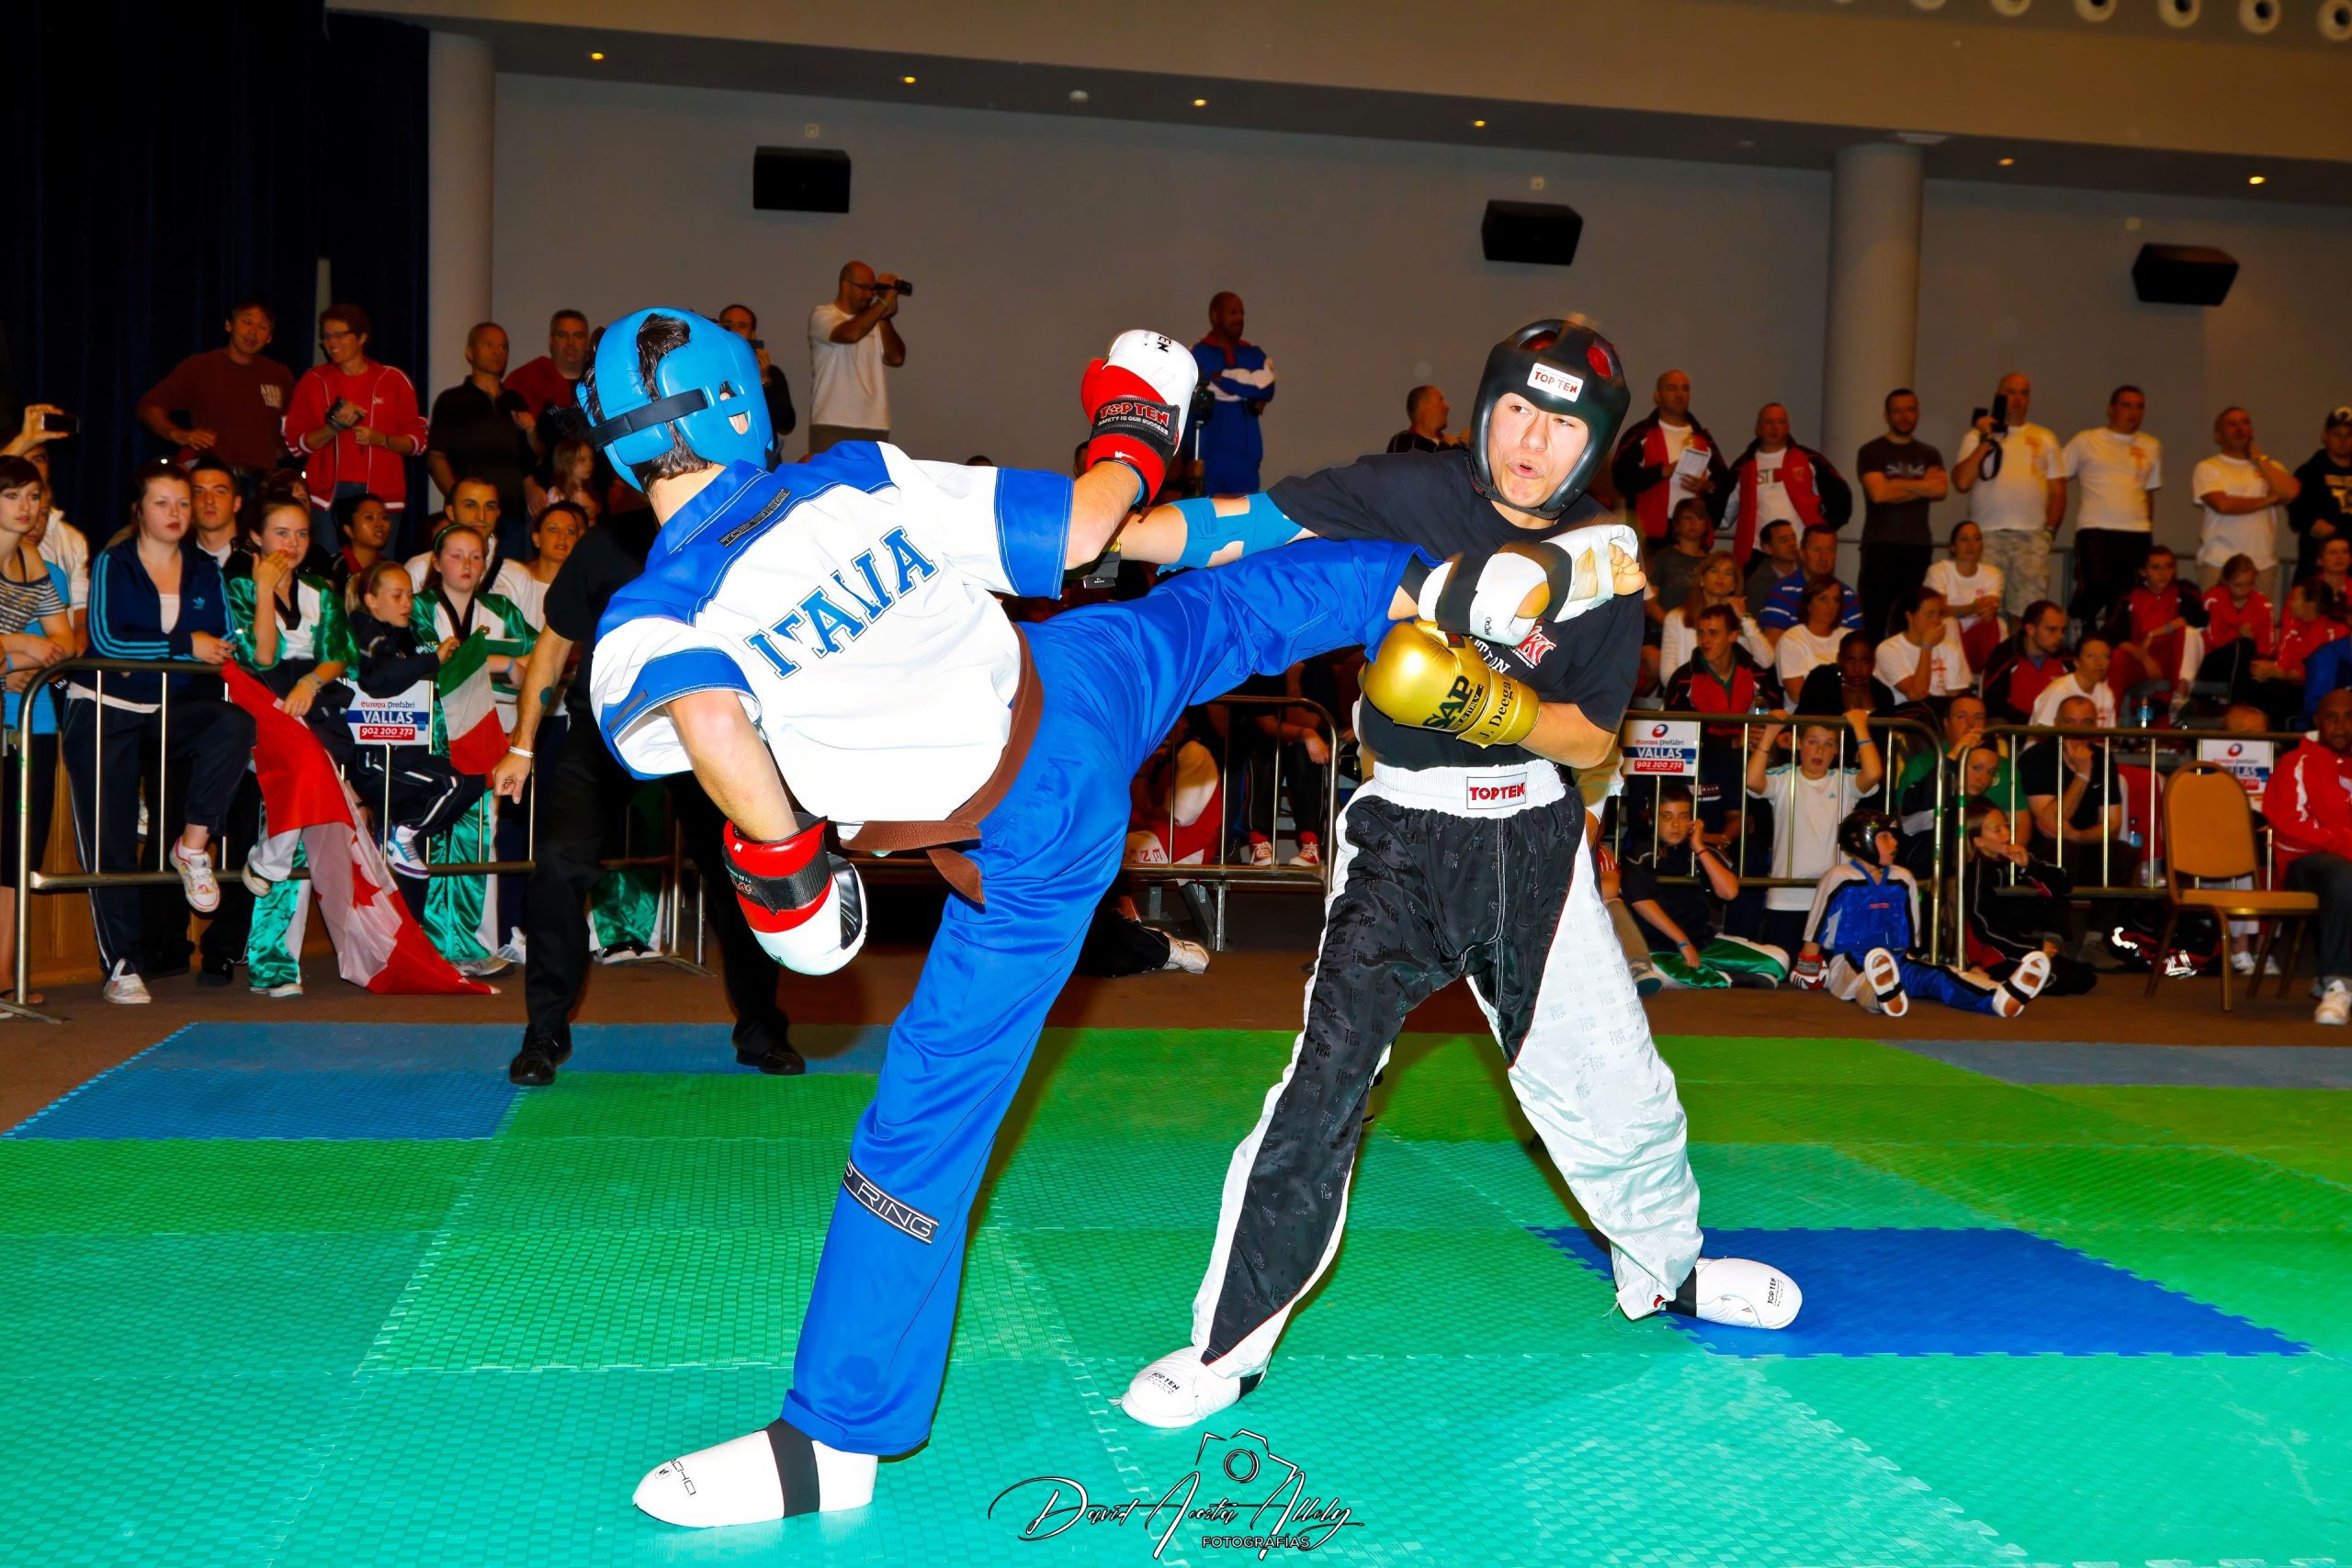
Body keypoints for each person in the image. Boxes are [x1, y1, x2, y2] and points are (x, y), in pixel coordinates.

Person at [583, 309, 1600, 1526]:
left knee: (923, 1127)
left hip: (1026, 847)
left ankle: (830, 1443)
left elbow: (706, 716)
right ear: (741, 406)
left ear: (617, 449)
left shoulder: (644, 621)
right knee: (1215, 619)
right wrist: (1134, 428)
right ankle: (1430, 588)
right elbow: (1082, 527)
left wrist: (784, 870)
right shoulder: (850, 478)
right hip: (1072, 687)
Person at [1110, 321, 1801, 1443]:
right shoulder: (1413, 491)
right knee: (1321, 1088)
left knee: (1616, 1085)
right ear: (1484, 409)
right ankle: (1223, 1349)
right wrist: (1104, 530)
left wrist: (1491, 705)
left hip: (1532, 840)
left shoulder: (1605, 558)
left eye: (1561, 425)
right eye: (1517, 410)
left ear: (1595, 445)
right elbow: (1256, 523)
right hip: (1400, 841)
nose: (1530, 442)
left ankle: (1672, 1274)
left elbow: (1592, 740)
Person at [62, 464, 256, 1004]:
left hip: (165, 708)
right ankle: (123, 963)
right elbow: (106, 642)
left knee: (234, 724)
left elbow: (221, 642)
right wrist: (182, 645)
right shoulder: (114, 561)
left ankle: (192, 847)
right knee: (112, 840)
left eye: (182, 503)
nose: (175, 513)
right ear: (139, 510)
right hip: (103, 709)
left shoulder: (203, 568)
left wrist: (168, 649)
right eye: (162, 503)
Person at [223, 498, 359, 998]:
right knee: (293, 801)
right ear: (256, 537)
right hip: (261, 707)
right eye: (281, 533)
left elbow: (339, 655)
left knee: (302, 822)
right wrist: (263, 589)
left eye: (301, 533)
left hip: (311, 706)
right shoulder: (238, 587)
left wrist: (310, 683)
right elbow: (261, 656)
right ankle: (269, 958)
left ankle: (277, 957)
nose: (293, 544)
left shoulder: (321, 590)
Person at [413, 523, 535, 973]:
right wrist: (504, 662)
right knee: (431, 836)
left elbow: (538, 656)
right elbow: (433, 659)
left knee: (481, 834)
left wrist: (503, 663)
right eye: (456, 555)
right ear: (436, 561)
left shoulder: (502, 608)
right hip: (431, 737)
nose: (467, 564)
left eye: (476, 556)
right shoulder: (419, 607)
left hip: (486, 735)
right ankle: (431, 945)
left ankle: (472, 943)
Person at [1797, 808, 2048, 1017]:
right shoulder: (1839, 878)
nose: (1895, 843)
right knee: (1863, 982)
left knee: (1942, 975)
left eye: (1894, 837)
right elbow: (1816, 927)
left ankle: (1999, 996)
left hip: (1897, 957)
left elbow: (1910, 931)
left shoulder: (1903, 878)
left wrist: (1911, 961)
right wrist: (1808, 968)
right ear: (1860, 841)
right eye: (1885, 837)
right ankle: (1885, 995)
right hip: (1850, 959)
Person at [344, 561, 492, 875]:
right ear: (371, 600)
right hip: (374, 759)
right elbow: (376, 679)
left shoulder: (403, 635)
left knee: (475, 779)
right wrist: (431, 660)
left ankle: (401, 833)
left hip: (405, 754)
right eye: (397, 596)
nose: (407, 604)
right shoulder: (360, 630)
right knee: (451, 783)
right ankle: (401, 835)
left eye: (410, 596)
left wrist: (444, 659)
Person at [0, 457, 74, 1005]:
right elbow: (42, 643)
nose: (26, 507)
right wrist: (22, 646)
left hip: (27, 720)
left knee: (17, 853)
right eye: (12, 496)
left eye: (32, 495)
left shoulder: (32, 561)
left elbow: (65, 644)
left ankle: (4, 975)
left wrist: (15, 659)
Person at [282, 303, 428, 554]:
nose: (331, 343)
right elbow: (295, 445)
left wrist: (382, 439)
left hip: (382, 494)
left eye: (339, 335)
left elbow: (418, 443)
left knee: (378, 570)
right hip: (327, 495)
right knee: (330, 566)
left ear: (361, 338)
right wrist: (333, 428)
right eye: (326, 336)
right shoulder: (313, 381)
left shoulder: (392, 380)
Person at [1618, 782, 1790, 987]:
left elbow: (1729, 892)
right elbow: (1641, 901)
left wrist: (1698, 846)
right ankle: (1732, 979)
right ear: (1653, 819)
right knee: (1654, 973)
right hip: (1659, 947)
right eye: (1667, 816)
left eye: (1683, 816)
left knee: (1780, 960)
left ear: (1693, 821)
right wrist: (1682, 941)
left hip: (1703, 942)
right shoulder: (1642, 852)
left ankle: (1713, 973)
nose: (1676, 824)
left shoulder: (1699, 850)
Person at [1747, 711, 1883, 954]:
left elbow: (1873, 774)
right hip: (1787, 897)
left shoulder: (1844, 780)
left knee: (1834, 969)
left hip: (1835, 896)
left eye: (1829, 744)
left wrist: (1859, 727)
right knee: (1782, 964)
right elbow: (1753, 781)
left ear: (1837, 751)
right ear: (1799, 744)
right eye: (1813, 742)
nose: (1820, 750)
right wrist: (1770, 733)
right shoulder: (1784, 777)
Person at [2266, 687, 2352, 1025]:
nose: (2341, 726)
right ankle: (2337, 986)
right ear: (2317, 722)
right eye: (2332, 718)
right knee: (2343, 875)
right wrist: (2344, 845)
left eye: (2349, 717)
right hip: (2305, 865)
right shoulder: (2295, 763)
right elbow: (2290, 828)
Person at [135, 299, 297, 475]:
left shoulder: (280, 375)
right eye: (247, 322)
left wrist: (281, 452)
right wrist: (177, 434)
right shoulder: (200, 367)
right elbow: (148, 407)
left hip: (262, 480)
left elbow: (297, 427)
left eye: (263, 327)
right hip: (211, 475)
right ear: (229, 325)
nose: (253, 331)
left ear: (269, 338)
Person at [1952, 372, 2065, 618]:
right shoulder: (1975, 437)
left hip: (2031, 537)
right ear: (1998, 396)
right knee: (1984, 610)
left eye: (2024, 393)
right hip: (1987, 535)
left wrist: (2048, 533)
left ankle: (2018, 647)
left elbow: (2058, 492)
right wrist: (1987, 439)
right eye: (2010, 392)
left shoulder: (2045, 437)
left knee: (2027, 614)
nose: (2017, 399)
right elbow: (1961, 482)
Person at [1959, 799, 2096, 997]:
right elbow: (1984, 928)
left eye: (2006, 826)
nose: (2007, 834)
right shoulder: (1975, 872)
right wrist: (2032, 949)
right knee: (2068, 980)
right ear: (1979, 840)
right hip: (1995, 956)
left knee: (2085, 976)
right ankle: (1993, 979)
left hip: (2018, 947)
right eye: (1997, 830)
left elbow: (2063, 883)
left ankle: (2019, 976)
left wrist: (2030, 866)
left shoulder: (2011, 862)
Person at [426, 321, 536, 558]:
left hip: (512, 513)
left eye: (503, 347)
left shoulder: (515, 400)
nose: (498, 352)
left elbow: (531, 456)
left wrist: (531, 431)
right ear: (470, 352)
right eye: (489, 345)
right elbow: (436, 457)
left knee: (510, 575)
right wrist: (460, 500)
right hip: (470, 516)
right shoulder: (452, 400)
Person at [2061, 386, 2163, 628]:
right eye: (2126, 405)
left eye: (2139, 407)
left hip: (2136, 530)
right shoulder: (2086, 440)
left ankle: (2111, 639)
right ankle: (2080, 617)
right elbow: (2056, 476)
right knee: (2098, 584)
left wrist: (2147, 526)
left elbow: (2148, 492)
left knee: (2126, 596)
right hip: (2096, 527)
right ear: (2111, 409)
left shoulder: (2151, 445)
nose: (2133, 412)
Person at [1855, 388, 1949, 638]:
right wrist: (1922, 485)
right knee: (1876, 619)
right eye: (1897, 411)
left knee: (1913, 620)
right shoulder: (1871, 451)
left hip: (1918, 546)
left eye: (1910, 410)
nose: (1904, 416)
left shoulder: (1930, 454)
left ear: (1917, 413)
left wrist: (1895, 484)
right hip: (1880, 545)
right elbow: (1879, 493)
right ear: (1886, 416)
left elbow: (1940, 489)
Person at [2017, 694, 2132, 888]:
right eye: (2069, 722)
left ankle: (2106, 910)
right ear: (2056, 724)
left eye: (2086, 722)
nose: (2077, 730)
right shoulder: (2036, 757)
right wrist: (2083, 775)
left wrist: (2077, 836)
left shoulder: (2103, 758)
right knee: (2062, 849)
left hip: (2086, 840)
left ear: (2096, 726)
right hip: (2043, 846)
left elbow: (2112, 826)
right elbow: (2050, 824)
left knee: (2121, 852)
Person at [1721, 401, 1851, 567]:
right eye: (1769, 422)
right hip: (1756, 551)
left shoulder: (1809, 460)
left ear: (1788, 427)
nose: (1775, 427)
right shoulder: (1743, 465)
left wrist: (1823, 529)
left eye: (1781, 422)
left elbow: (1840, 497)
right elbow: (1725, 510)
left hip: (1801, 549)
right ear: (1758, 428)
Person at [1611, 367, 1729, 540]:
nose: (1680, 394)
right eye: (1672, 388)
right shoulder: (1640, 435)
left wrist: (1708, 488)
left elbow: (1724, 481)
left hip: (1692, 534)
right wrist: (1661, 472)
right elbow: (1621, 478)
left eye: (1685, 389)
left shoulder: (1703, 439)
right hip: (1650, 534)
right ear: (1657, 396)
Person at [2193, 407, 2300, 588]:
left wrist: (2259, 460)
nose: (2240, 428)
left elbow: (2291, 492)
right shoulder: (2208, 467)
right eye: (2232, 424)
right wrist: (2269, 499)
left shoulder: (2270, 466)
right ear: (2218, 436)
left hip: (2262, 564)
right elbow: (2223, 505)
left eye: (2245, 422)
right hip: (2220, 562)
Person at [807, 262, 907, 455]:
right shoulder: (823, 315)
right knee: (831, 474)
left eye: (872, 289)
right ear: (845, 284)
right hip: (832, 421)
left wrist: (884, 314)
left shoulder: (874, 319)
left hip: (875, 422)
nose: (869, 295)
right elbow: (850, 334)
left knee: (872, 475)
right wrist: (882, 303)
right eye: (864, 288)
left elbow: (896, 358)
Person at [1188, 291, 1276, 495]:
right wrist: (1247, 384)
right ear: (1215, 316)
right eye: (1233, 312)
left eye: (1242, 313)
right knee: (1207, 512)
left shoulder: (1253, 354)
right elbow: (1203, 386)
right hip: (1207, 458)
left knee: (1247, 513)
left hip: (1246, 460)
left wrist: (1223, 378)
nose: (1239, 318)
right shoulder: (1198, 352)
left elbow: (1267, 388)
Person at [2103, 544, 2206, 713]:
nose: (2163, 573)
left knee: (2189, 633)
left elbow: (2201, 619)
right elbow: (2114, 636)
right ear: (2144, 571)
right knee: (2118, 656)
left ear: (2175, 570)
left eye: (2168, 567)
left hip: (2173, 657)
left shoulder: (2184, 594)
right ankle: (2109, 716)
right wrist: (2144, 657)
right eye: (2155, 567)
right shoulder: (2130, 597)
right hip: (2141, 656)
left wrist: (2156, 632)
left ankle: (2180, 698)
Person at [2199, 552, 2292, 723]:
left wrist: (2264, 667)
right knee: (2244, 645)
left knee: (2277, 686)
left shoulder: (2263, 604)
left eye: (2249, 584)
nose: (2244, 590)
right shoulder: (2213, 599)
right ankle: (2236, 705)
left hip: (2248, 664)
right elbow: (2211, 641)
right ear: (2226, 581)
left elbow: (2268, 648)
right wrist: (2237, 634)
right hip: (2215, 662)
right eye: (2238, 585)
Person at [504, 308, 595, 473]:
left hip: (598, 482)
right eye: (562, 335)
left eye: (578, 335)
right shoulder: (525, 380)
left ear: (588, 343)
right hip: (545, 480)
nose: (570, 343)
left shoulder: (602, 381)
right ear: (550, 341)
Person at [1659, 548, 1770, 678]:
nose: (1720, 577)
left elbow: (1765, 661)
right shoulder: (1676, 618)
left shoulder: (1739, 622)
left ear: (1733, 586)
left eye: (1728, 573)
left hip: (1730, 689)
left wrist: (1745, 618)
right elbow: (1667, 673)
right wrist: (1701, 687)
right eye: (1714, 571)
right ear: (1702, 580)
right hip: (1688, 687)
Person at [717, 303, 798, 463]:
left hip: (762, 458)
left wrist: (763, 381)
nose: (734, 331)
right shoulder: (708, 372)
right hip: (721, 456)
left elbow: (786, 424)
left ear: (752, 334)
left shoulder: (772, 374)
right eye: (728, 325)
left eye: (742, 326)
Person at [1757, 525, 1861, 640]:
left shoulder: (1848, 597)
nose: (1824, 557)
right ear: (1802, 553)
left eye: (1830, 550)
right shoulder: (1781, 593)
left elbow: (1856, 646)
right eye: (1817, 550)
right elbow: (1772, 647)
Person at [1925, 519, 2005, 672]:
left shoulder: (1992, 573)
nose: (1971, 544)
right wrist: (1972, 608)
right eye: (1964, 539)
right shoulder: (1938, 571)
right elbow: (1939, 610)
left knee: (1999, 624)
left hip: (1976, 633)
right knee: (1950, 623)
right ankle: (1954, 676)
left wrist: (1986, 609)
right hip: (1946, 633)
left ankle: (1990, 677)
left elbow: (1988, 610)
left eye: (1977, 539)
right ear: (1952, 547)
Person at [1873, 586, 1971, 706]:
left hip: (1939, 713)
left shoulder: (1950, 648)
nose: (1936, 620)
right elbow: (1918, 693)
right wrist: (1927, 647)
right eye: (1930, 615)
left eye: (1939, 614)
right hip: (1904, 714)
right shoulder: (1888, 649)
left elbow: (1953, 698)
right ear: (1910, 616)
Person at [1981, 601, 2073, 725]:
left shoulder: (2068, 658)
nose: (2060, 636)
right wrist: (2030, 727)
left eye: (2062, 630)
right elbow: (1993, 708)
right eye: (2052, 630)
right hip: (2014, 732)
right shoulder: (2004, 656)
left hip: (2057, 732)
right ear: (2031, 629)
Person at [2288, 406, 2352, 551]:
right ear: (2325, 436)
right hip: (2320, 558)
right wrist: (2313, 525)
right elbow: (2297, 516)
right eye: (2337, 434)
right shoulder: (2309, 473)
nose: (2343, 440)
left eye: (2349, 434)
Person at [1774, 576, 1854, 692]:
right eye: (1823, 599)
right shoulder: (1791, 641)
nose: (1831, 606)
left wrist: (1839, 674)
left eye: (1836, 600)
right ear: (1808, 604)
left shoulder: (1850, 638)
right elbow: (1798, 695)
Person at [1796, 629, 1898, 719]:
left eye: (1865, 661)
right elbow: (1804, 720)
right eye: (1851, 660)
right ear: (1839, 660)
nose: (1857, 668)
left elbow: (1884, 732)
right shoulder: (1822, 678)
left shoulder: (1882, 693)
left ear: (1873, 662)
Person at [2028, 637, 2118, 728]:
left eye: (2105, 656)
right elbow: (2041, 732)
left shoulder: (2106, 694)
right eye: (2091, 656)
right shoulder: (2059, 691)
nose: (2099, 663)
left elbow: (2108, 733)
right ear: (2076, 662)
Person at [327, 492, 393, 595]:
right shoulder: (333, 569)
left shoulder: (390, 570)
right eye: (369, 517)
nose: (380, 524)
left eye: (384, 517)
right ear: (349, 530)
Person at [187, 453, 243, 567]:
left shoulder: (258, 561)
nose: (209, 500)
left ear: (236, 503)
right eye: (198, 492)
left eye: (219, 492)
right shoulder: (176, 563)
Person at [1743, 517, 1802, 609]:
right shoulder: (1758, 583)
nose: (1792, 544)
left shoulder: (1808, 569)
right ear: (1767, 548)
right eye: (1784, 540)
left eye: (1794, 538)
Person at [1385, 384, 1454, 453]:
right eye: (1441, 400)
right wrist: (1447, 446)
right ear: (1423, 405)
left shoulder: (1450, 442)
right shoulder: (1401, 442)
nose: (1447, 407)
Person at [2301, 534, 2352, 616]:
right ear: (2320, 560)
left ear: (2350, 559)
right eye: (2333, 552)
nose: (2340, 556)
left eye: (2345, 552)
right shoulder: (2305, 590)